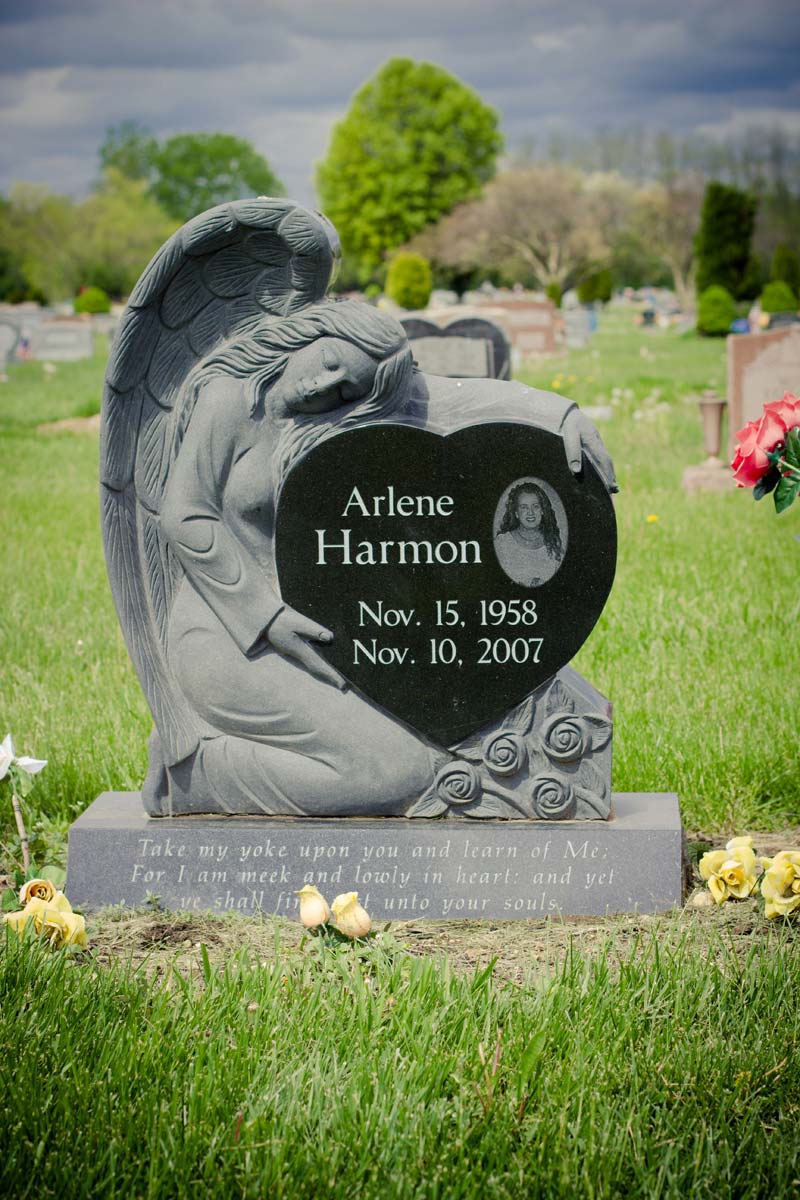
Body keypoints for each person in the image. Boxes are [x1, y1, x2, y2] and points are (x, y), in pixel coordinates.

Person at [493, 481, 564, 587]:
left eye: (535, 506)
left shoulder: (553, 542)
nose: (530, 512)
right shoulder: (502, 543)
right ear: (516, 513)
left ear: (542, 511)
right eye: (524, 507)